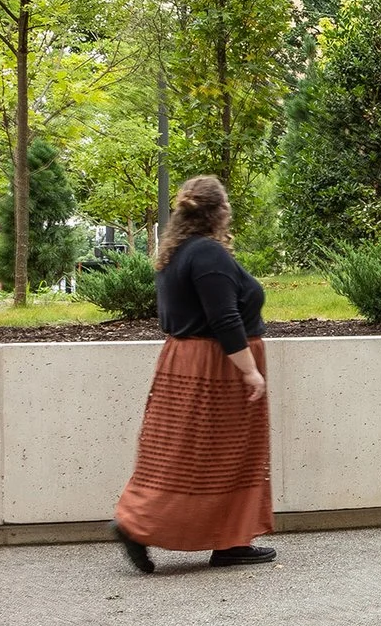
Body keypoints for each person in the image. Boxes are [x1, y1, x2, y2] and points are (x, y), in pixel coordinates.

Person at [112, 175, 276, 573]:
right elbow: (224, 317)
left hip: (184, 363)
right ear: (219, 211)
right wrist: (250, 372)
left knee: (186, 453)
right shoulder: (207, 254)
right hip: (216, 368)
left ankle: (228, 539)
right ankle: (137, 524)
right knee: (217, 456)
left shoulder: (177, 252)